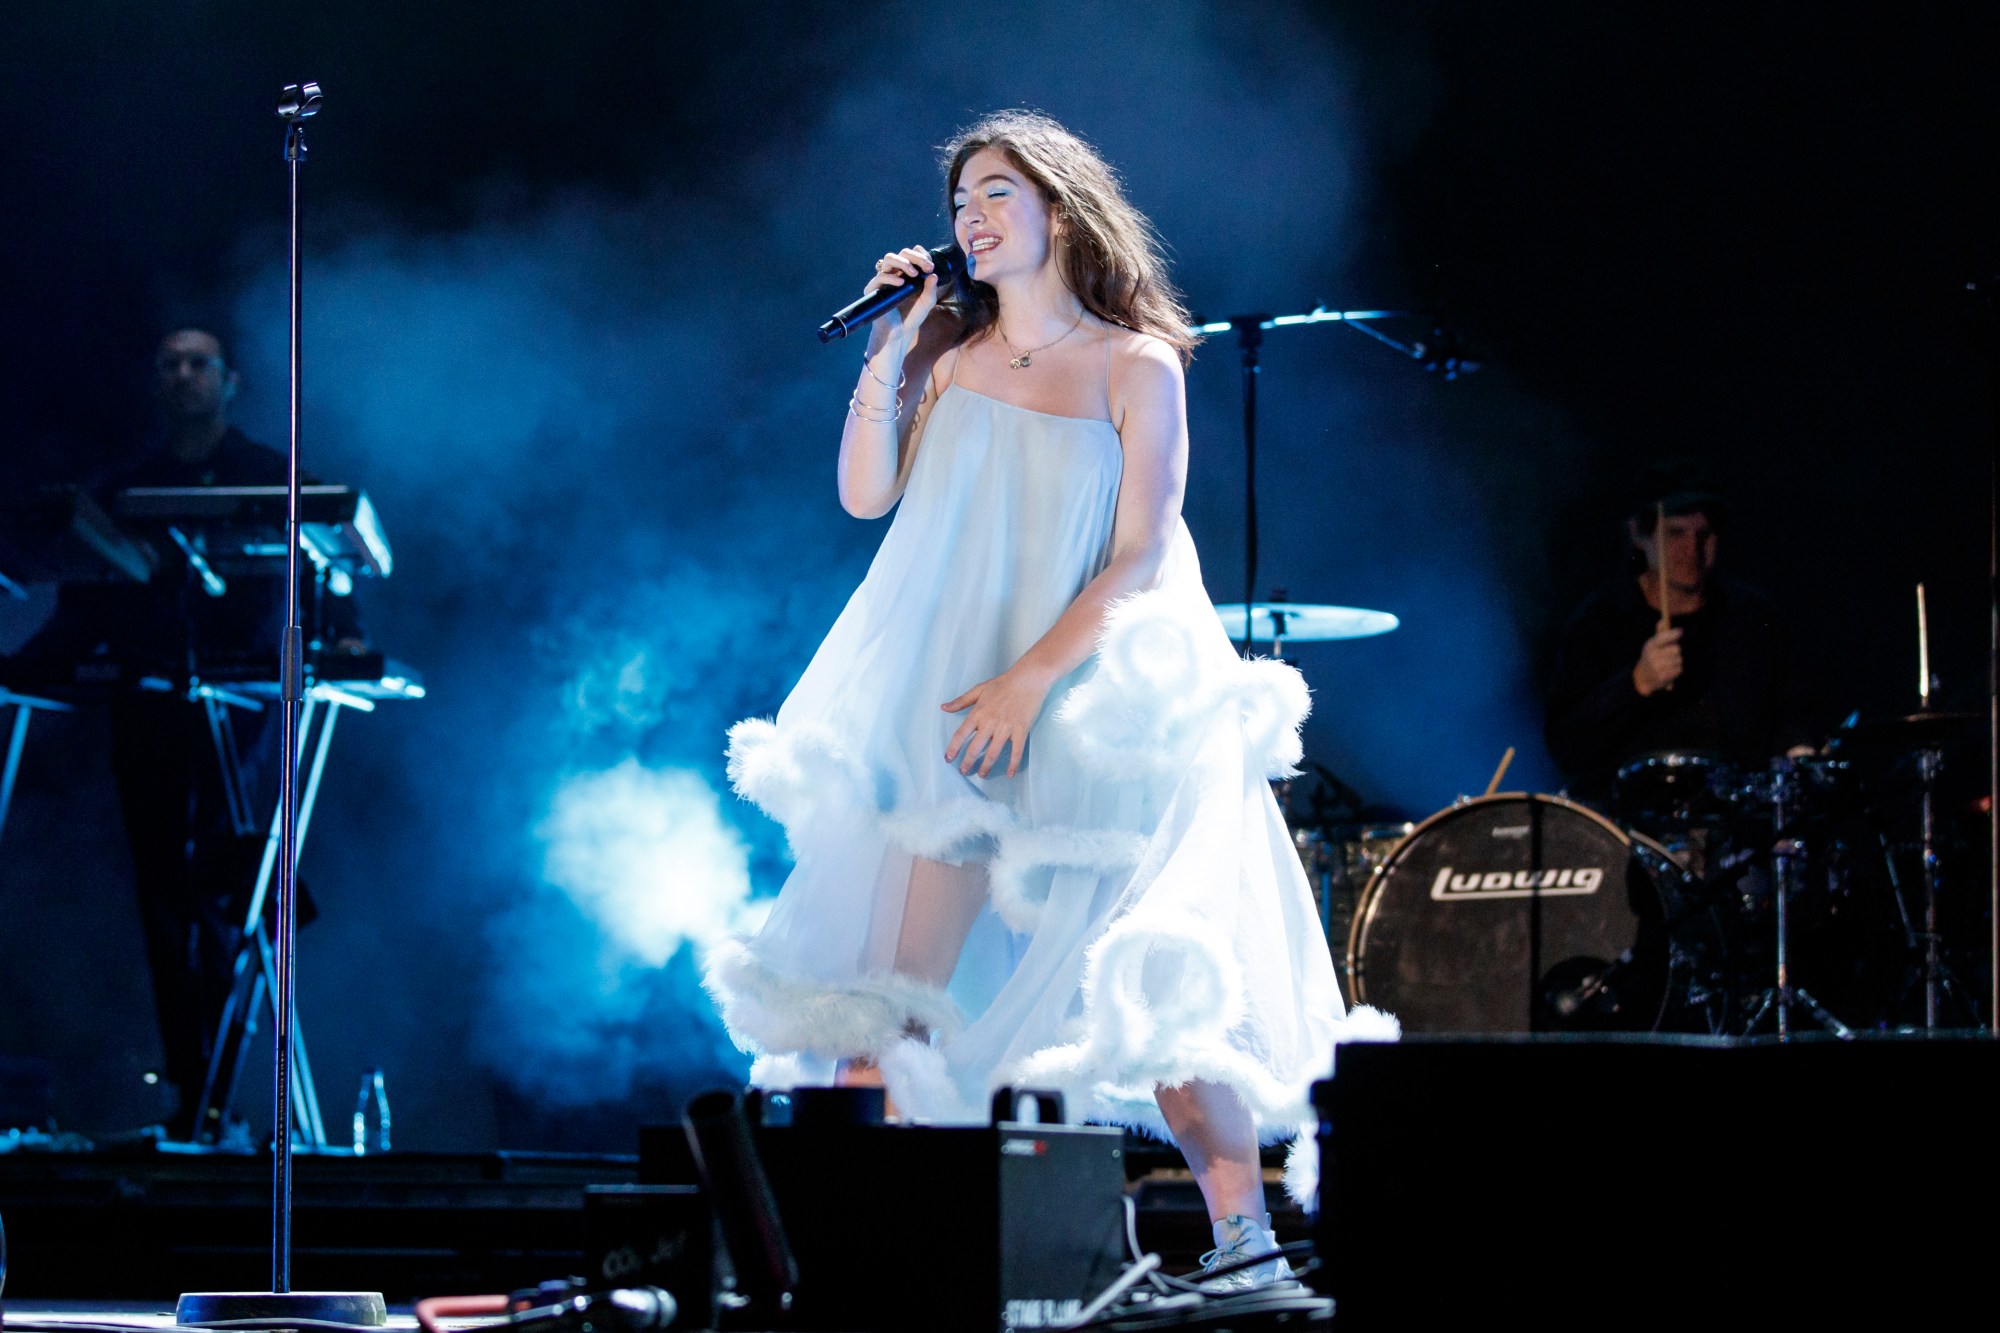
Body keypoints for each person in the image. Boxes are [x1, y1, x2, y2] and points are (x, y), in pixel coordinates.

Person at [705, 112, 1389, 1291]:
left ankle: (1242, 1245)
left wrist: (1034, 680)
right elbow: (865, 496)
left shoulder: (1137, 363)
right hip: (958, 704)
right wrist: (895, 345)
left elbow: (1135, 553)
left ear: (1059, 210)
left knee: (1150, 972)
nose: (967, 218)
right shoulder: (950, 357)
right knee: (895, 993)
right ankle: (897, 1252)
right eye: (959, 200)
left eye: (993, 194)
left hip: (1097, 701)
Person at [15, 327, 362, 1140]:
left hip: (240, 710)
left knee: (235, 888)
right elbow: (83, 599)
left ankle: (228, 1096)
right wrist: (24, 668)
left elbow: (331, 560)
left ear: (229, 380)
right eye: (167, 362)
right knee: (165, 900)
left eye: (196, 362)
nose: (180, 374)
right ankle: (198, 1098)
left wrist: (341, 637)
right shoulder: (130, 485)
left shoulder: (267, 474)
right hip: (149, 706)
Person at [1544, 460, 1801, 801]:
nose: (1692, 549)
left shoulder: (1752, 618)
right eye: (1676, 533)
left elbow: (1794, 712)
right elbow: (1565, 748)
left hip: (1736, 827)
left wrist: (1799, 751)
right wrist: (1636, 684)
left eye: (1704, 534)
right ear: (1639, 535)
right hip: (1629, 832)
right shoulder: (1597, 624)